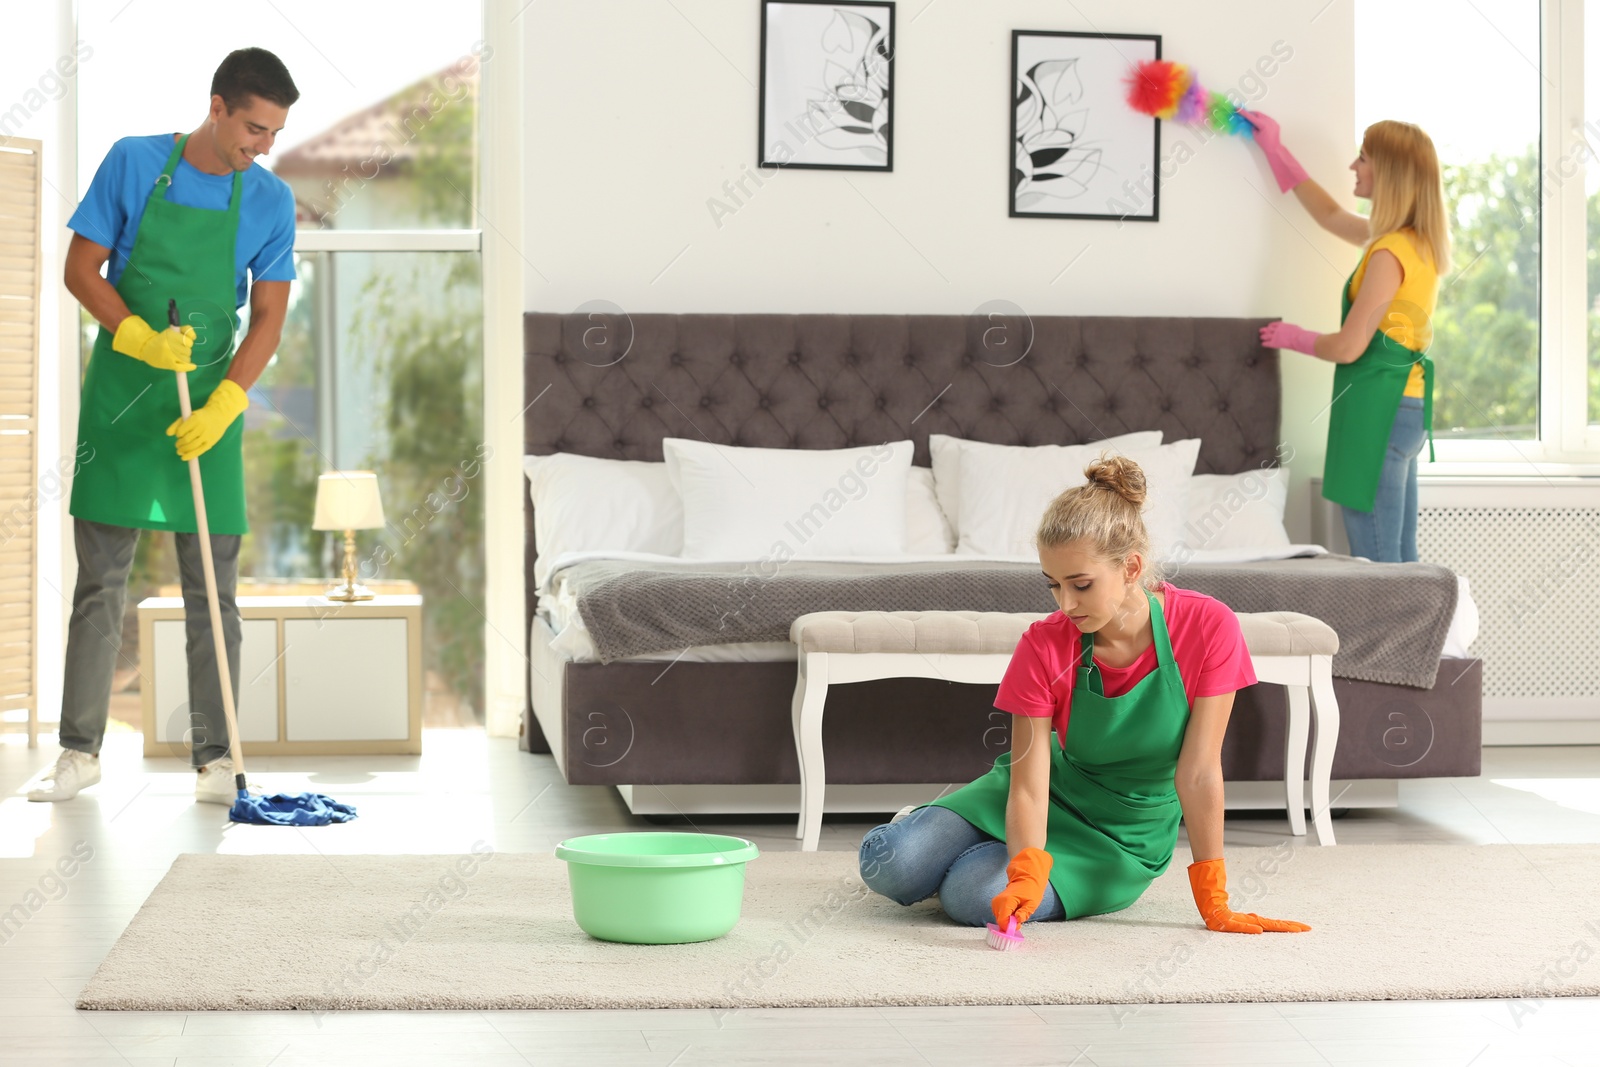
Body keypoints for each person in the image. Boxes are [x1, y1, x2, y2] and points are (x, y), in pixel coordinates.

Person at [859, 456, 1310, 935]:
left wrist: (1214, 900)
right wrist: (1028, 870)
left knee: (971, 897)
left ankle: (975, 859)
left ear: (1131, 567)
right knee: (892, 865)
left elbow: (1197, 774)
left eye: (1081, 585)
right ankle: (942, 835)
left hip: (1121, 839)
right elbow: (1030, 785)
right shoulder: (1043, 643)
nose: (1065, 604)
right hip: (1044, 794)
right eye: (1053, 585)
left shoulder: (1207, 626)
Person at [29, 49, 299, 803]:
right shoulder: (134, 163)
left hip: (207, 402)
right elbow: (82, 269)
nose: (261, 146)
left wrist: (227, 403)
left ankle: (217, 758)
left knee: (213, 587)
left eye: (274, 133)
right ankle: (79, 752)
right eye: (252, 128)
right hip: (124, 395)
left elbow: (269, 317)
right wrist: (139, 336)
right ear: (216, 107)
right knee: (101, 579)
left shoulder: (270, 200)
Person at [1245, 111, 1452, 563]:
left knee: (1376, 561)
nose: (1353, 167)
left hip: (1381, 406)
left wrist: (1291, 336)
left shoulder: (1389, 252)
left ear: (1390, 173)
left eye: (1363, 158)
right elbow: (1329, 213)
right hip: (1404, 405)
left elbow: (1348, 346)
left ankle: (1392, 637)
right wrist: (1274, 148)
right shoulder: (1412, 241)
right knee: (1399, 556)